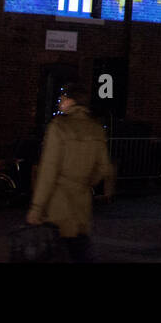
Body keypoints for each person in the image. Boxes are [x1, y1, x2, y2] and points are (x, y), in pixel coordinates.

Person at [28, 83, 115, 262]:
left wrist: (37, 207)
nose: (60, 101)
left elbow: (49, 170)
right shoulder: (96, 128)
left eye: (63, 98)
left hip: (59, 200)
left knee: (56, 248)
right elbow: (104, 167)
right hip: (81, 200)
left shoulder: (59, 127)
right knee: (79, 247)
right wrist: (87, 182)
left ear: (71, 101)